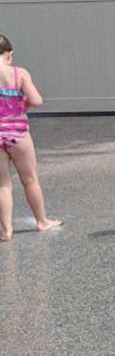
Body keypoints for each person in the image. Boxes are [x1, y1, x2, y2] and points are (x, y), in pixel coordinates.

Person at [0, 35, 61, 241]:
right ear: (9, 55)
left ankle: (7, 230)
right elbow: (36, 100)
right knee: (30, 180)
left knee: (3, 184)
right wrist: (20, 107)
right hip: (18, 132)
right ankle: (42, 221)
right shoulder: (20, 74)